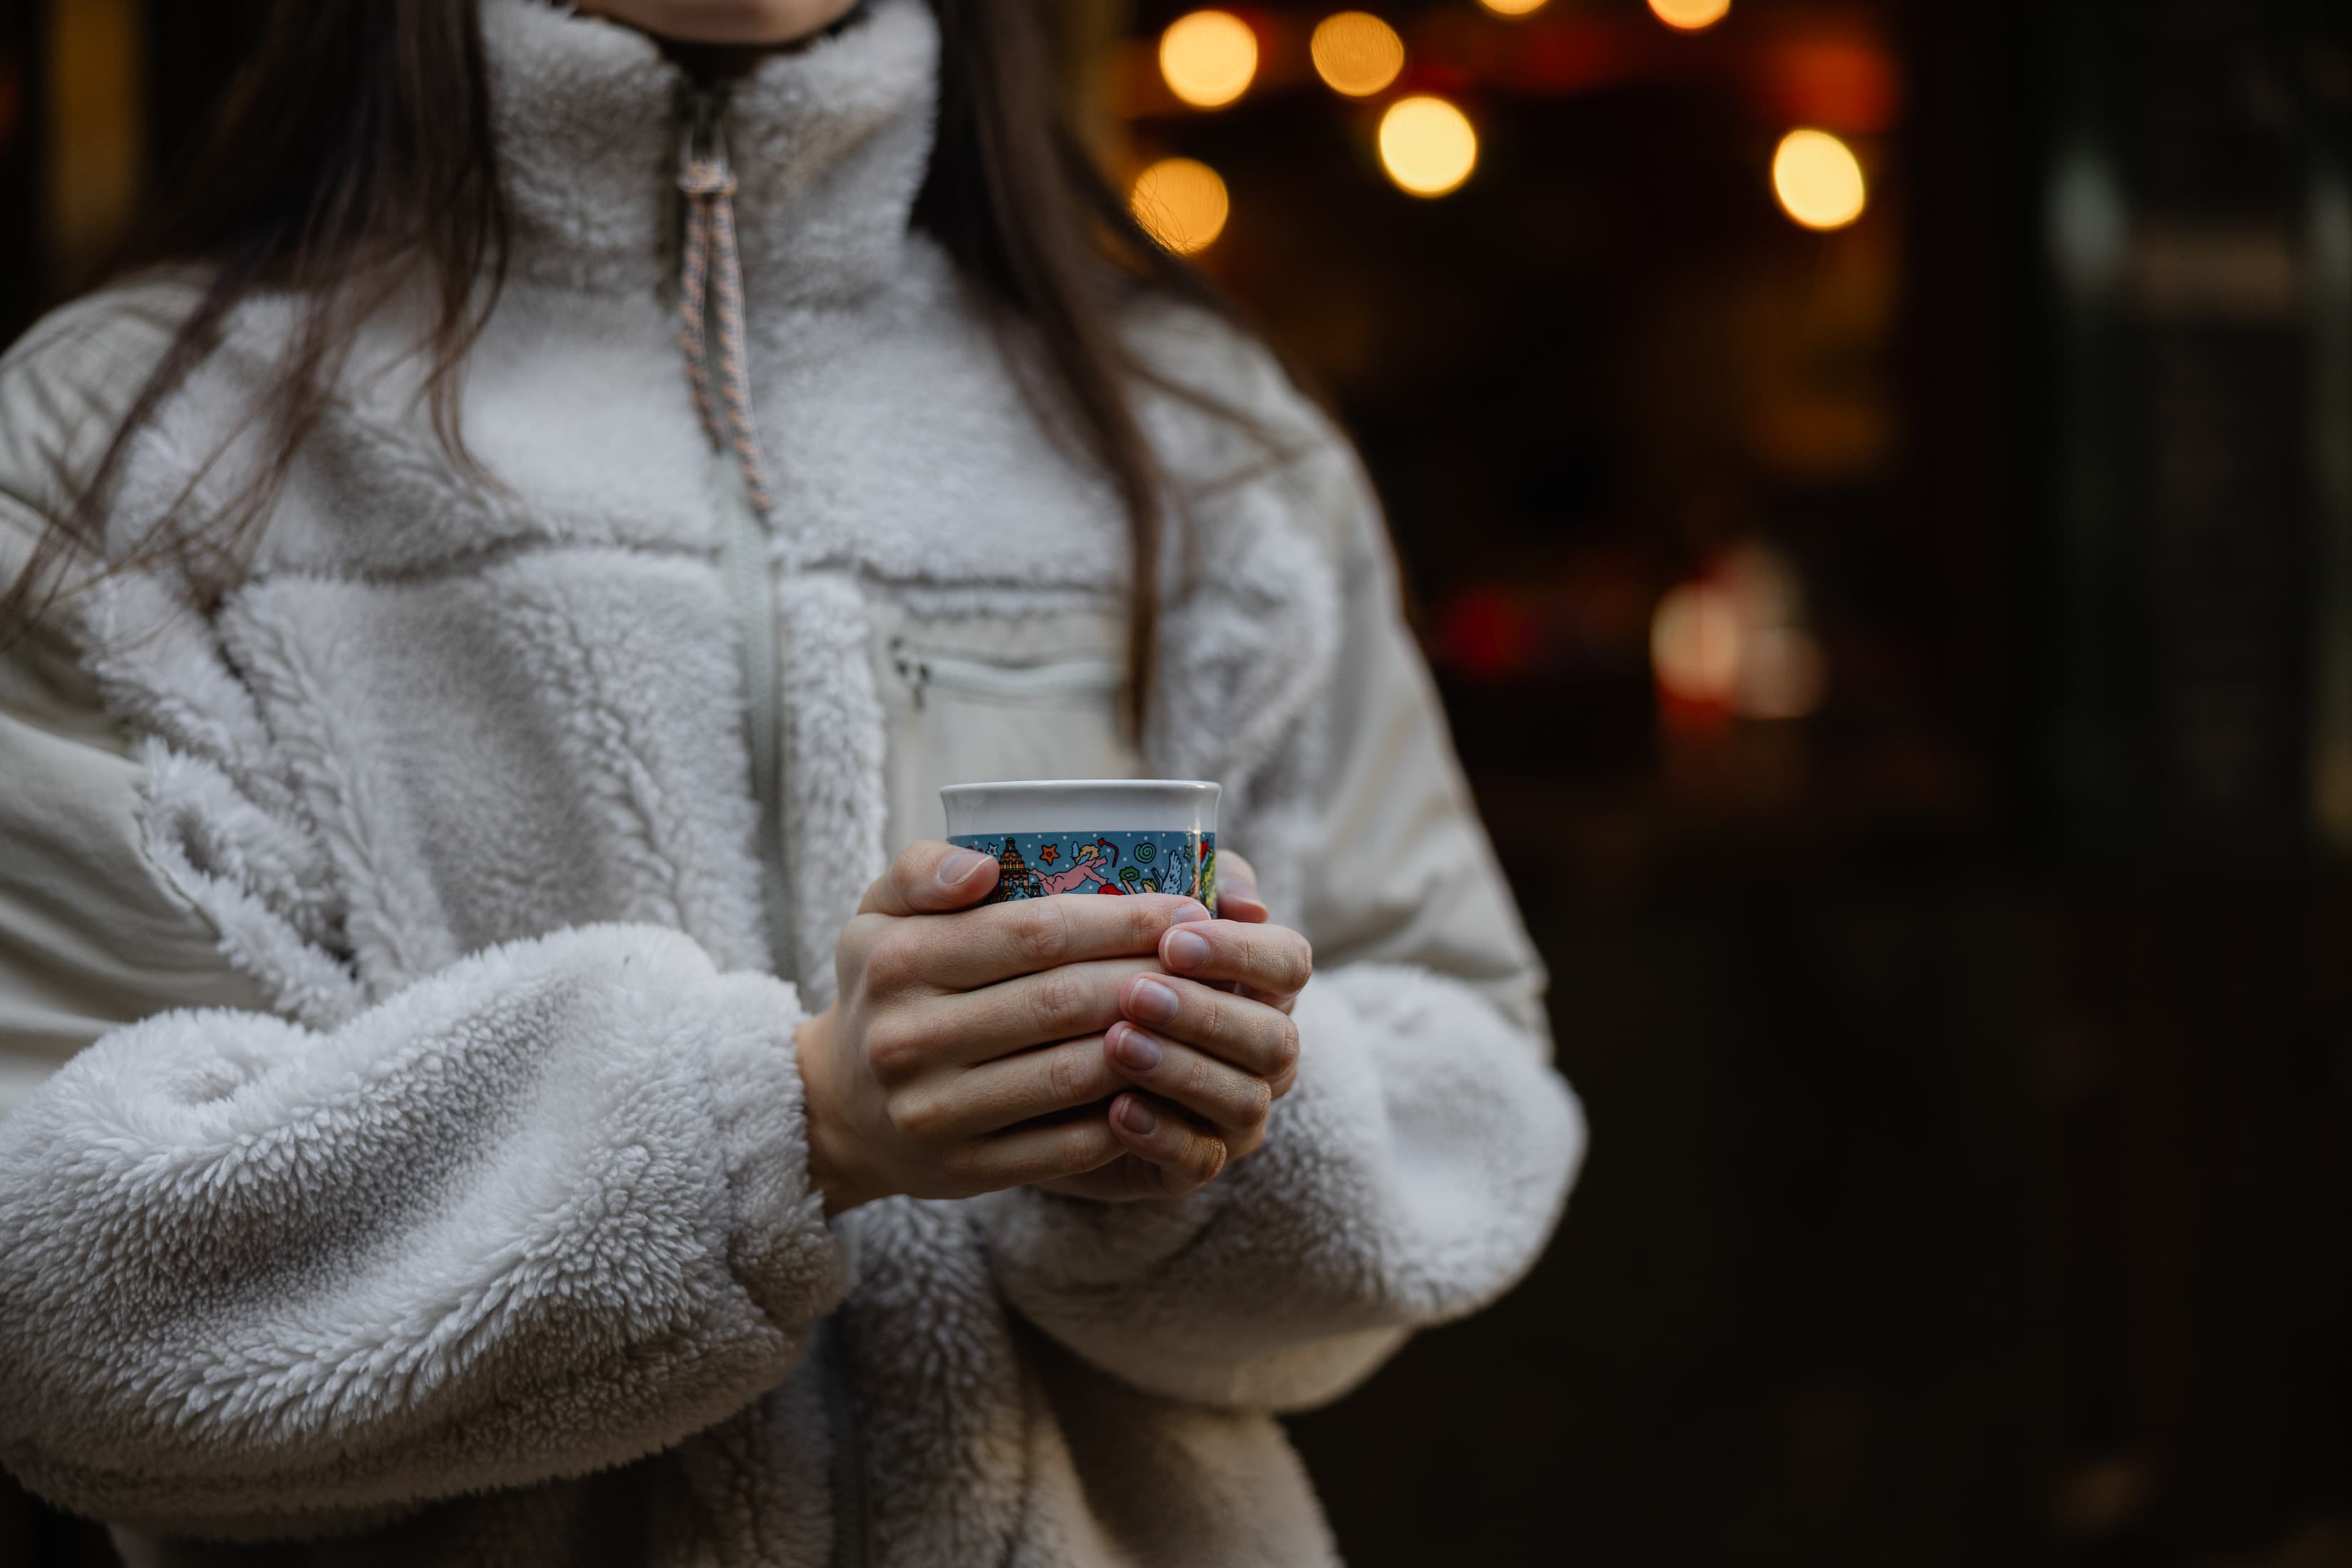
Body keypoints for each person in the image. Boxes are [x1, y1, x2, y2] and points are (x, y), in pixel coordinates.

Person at [0, 0, 1586, 1562]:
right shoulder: (117, 447)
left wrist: (1202, 1131)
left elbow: (1469, 1103)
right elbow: (48, 1285)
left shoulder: (1207, 442)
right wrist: (794, 1117)